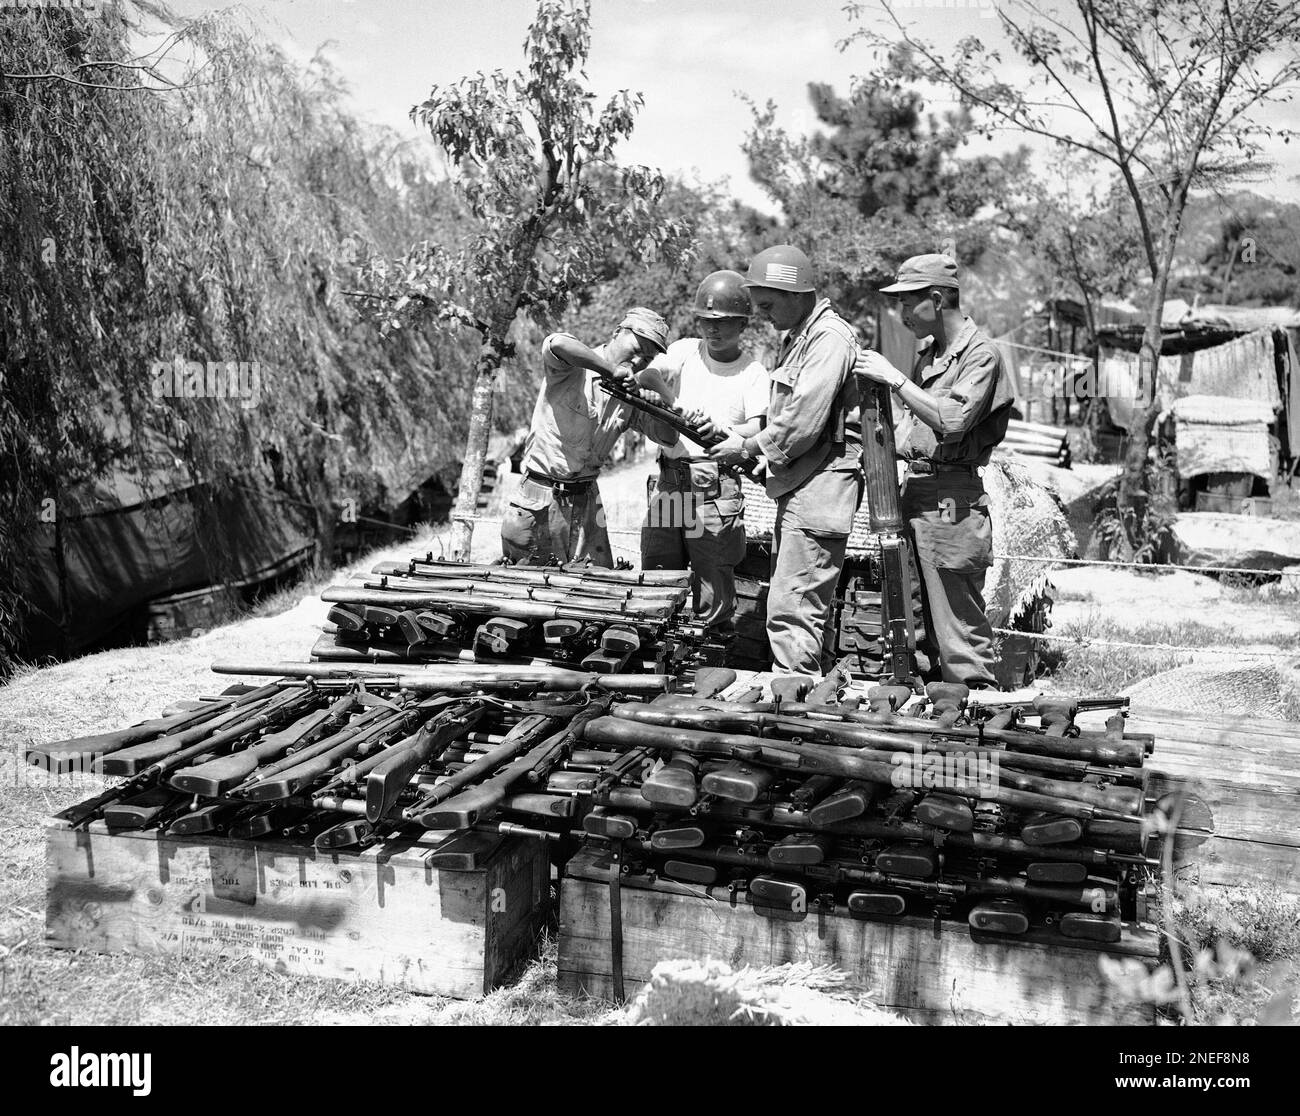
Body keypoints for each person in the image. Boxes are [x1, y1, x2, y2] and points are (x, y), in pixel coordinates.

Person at [856, 253, 1014, 688]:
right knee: (913, 610)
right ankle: (928, 706)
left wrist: (895, 380)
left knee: (956, 617)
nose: (902, 314)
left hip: (951, 500)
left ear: (938, 298)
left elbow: (953, 420)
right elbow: (912, 427)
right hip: (918, 489)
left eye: (909, 303)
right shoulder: (929, 353)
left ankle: (975, 705)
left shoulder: (982, 355)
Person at [711, 245, 861, 677]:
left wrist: (748, 448)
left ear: (795, 293)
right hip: (804, 482)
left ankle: (794, 707)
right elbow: (786, 419)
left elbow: (802, 422)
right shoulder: (801, 338)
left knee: (793, 606)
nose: (764, 314)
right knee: (790, 597)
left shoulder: (828, 339)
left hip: (822, 487)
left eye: (769, 304)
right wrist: (748, 443)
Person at [638, 271, 769, 629]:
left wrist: (722, 431)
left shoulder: (753, 373)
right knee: (657, 577)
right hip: (670, 481)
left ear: (742, 324)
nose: (713, 329)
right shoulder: (683, 351)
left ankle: (709, 664)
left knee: (711, 586)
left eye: (724, 322)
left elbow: (759, 426)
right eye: (706, 320)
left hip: (714, 486)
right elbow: (651, 375)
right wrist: (659, 392)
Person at [502, 308, 669, 567]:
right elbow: (557, 342)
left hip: (588, 505)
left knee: (597, 594)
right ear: (617, 333)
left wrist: (658, 403)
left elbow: (668, 438)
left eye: (646, 359)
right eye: (636, 350)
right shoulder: (570, 367)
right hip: (541, 501)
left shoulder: (631, 395)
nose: (637, 362)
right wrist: (610, 370)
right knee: (530, 592)